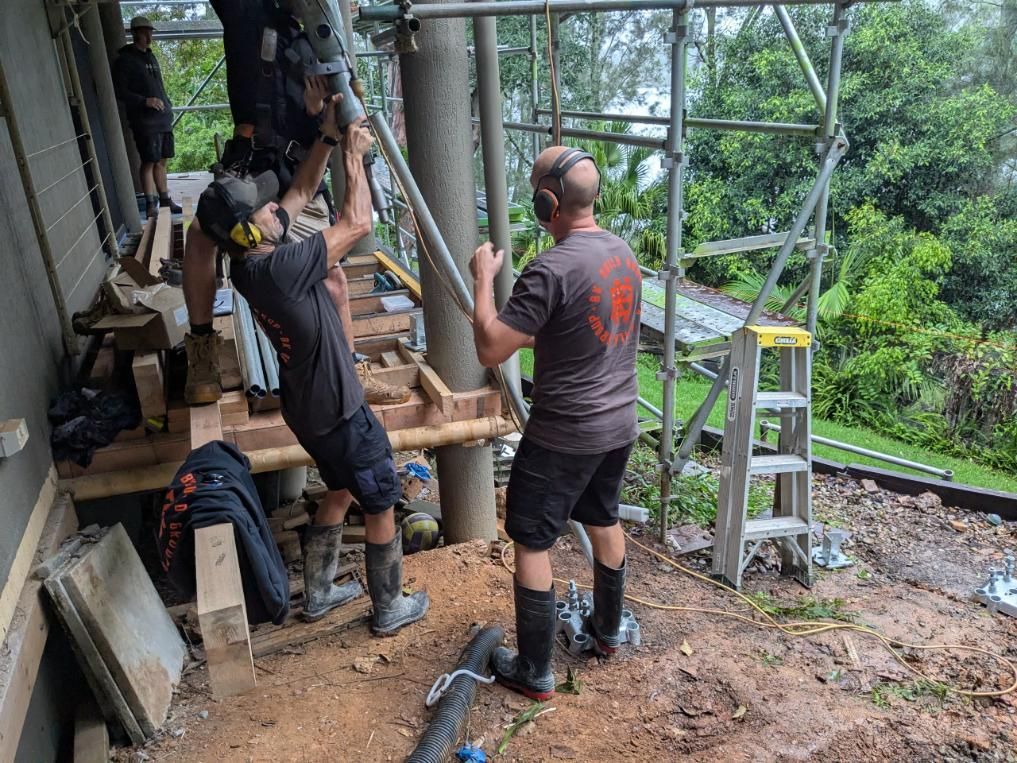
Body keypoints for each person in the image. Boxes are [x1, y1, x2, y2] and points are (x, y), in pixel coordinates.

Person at [194, 98, 428, 633]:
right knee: (382, 498)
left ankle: (320, 592)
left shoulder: (251, 263)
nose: (272, 208)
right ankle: (389, 608)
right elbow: (359, 221)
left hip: (309, 408)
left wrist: (324, 137)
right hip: (341, 411)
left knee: (341, 488)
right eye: (260, 210)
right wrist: (354, 155)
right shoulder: (280, 269)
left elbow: (298, 193)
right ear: (250, 234)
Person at [470, 146, 642, 700]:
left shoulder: (550, 268)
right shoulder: (623, 253)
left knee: (531, 540)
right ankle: (609, 632)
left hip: (564, 433)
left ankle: (534, 670)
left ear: (548, 202)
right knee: (602, 515)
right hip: (619, 423)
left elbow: (492, 347)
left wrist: (483, 279)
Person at [183, 0, 408, 407]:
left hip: (300, 173)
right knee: (200, 236)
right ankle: (201, 353)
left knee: (335, 279)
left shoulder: (317, 44)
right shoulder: (247, 15)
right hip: (252, 168)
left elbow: (323, 135)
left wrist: (314, 113)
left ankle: (352, 370)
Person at [113, 16, 183, 219]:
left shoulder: (151, 58)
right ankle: (150, 204)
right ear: (135, 33)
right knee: (149, 161)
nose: (149, 35)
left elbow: (158, 86)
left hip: (162, 119)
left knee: (162, 159)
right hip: (144, 121)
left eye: (150, 32)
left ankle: (165, 200)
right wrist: (145, 101)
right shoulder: (125, 61)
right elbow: (121, 91)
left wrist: (166, 104)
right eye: (145, 32)